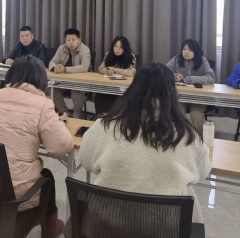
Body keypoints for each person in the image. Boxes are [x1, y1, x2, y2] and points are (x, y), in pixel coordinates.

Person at [79, 62, 211, 223]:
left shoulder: (105, 124)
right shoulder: (187, 135)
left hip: (107, 223)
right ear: (171, 93)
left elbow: (84, 159)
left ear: (133, 88)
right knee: (186, 190)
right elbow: (203, 172)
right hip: (165, 227)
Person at [0, 56, 73, 238]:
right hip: (16, 192)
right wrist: (59, 123)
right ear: (40, 78)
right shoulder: (43, 104)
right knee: (47, 176)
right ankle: (51, 229)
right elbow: (61, 147)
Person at [166, 39, 215, 133]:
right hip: (180, 96)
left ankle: (197, 137)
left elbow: (211, 77)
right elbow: (164, 72)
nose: (186, 52)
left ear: (196, 51)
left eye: (190, 50)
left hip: (198, 97)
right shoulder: (176, 59)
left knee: (196, 115)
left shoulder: (203, 60)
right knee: (177, 113)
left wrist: (189, 79)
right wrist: (175, 77)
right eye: (184, 49)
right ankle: (178, 136)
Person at [49, 28, 91, 119]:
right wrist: (54, 67)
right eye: (68, 40)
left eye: (73, 40)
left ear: (79, 40)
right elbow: (52, 61)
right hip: (64, 80)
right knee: (53, 88)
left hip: (80, 81)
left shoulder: (85, 49)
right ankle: (64, 112)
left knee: (77, 91)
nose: (70, 42)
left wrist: (65, 70)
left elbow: (84, 67)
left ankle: (76, 115)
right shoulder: (62, 48)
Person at [94, 36, 137, 116]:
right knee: (99, 97)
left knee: (118, 101)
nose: (117, 49)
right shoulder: (108, 54)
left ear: (125, 48)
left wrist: (115, 70)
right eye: (115, 46)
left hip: (122, 89)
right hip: (108, 86)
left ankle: (114, 118)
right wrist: (107, 71)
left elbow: (131, 72)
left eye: (121, 47)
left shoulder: (131, 56)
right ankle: (101, 118)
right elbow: (100, 68)